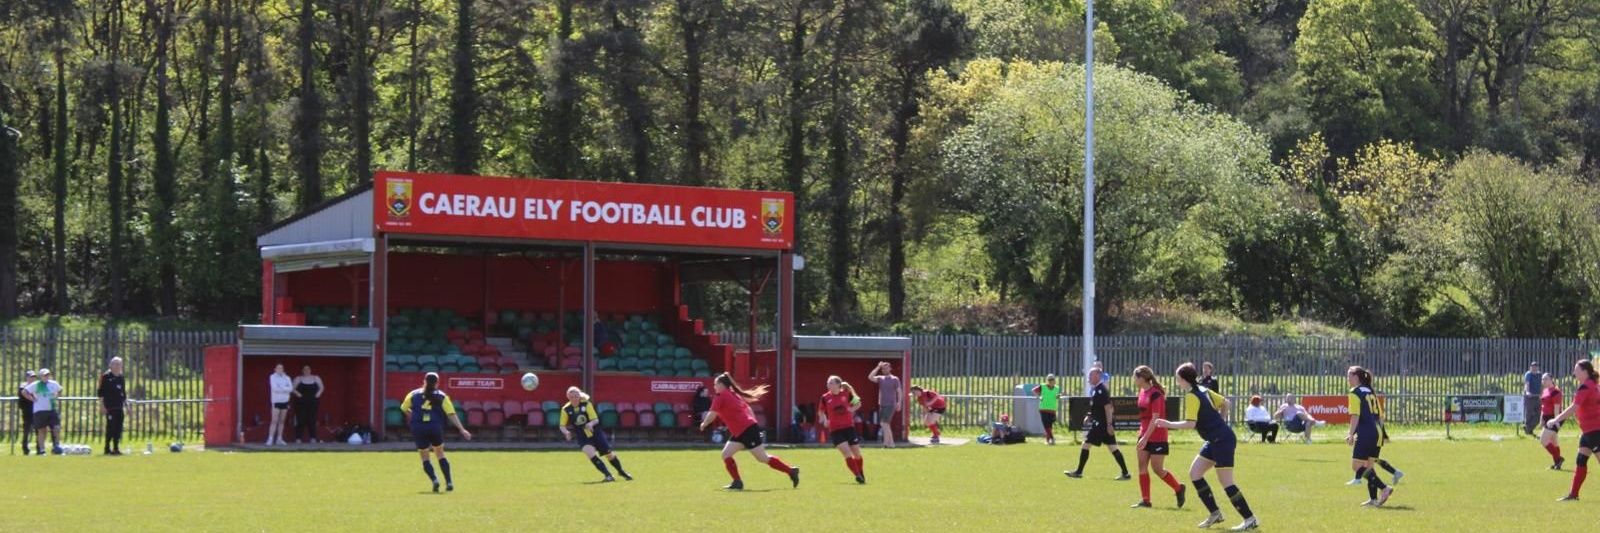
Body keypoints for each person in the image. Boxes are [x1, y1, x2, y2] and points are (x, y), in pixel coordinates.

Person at [1154, 363, 1258, 531]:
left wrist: (1167, 424)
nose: (1176, 382)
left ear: (1184, 379)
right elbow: (1226, 403)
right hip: (1216, 438)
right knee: (1195, 473)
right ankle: (1215, 514)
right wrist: (1220, 422)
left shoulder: (1192, 396)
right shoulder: (1202, 389)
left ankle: (1250, 518)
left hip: (1221, 440)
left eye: (1177, 378)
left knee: (1226, 482)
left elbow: (1190, 424)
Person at [699, 372, 800, 490]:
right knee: (726, 454)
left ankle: (791, 471)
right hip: (743, 430)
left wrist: (704, 424)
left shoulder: (721, 396)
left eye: (715, 384)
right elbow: (747, 408)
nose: (714, 387)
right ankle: (737, 482)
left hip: (746, 430)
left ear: (722, 385)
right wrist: (753, 424)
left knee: (762, 458)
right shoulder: (733, 394)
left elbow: (712, 414)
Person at [400, 372, 472, 492]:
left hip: (418, 427)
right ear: (437, 383)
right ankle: (449, 482)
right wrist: (462, 429)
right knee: (440, 453)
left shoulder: (413, 394)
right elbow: (451, 414)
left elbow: (403, 408)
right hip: (434, 427)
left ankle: (435, 480)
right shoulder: (442, 396)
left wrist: (411, 415)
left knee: (425, 456)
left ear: (424, 381)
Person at [1131, 365, 1185, 509]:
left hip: (1158, 436)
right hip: (1144, 434)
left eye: (1135, 377)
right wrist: (1141, 433)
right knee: (1141, 465)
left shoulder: (1156, 394)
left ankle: (1179, 488)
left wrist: (1145, 437)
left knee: (1157, 468)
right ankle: (1146, 500)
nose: (1134, 379)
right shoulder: (1142, 391)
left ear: (1142, 378)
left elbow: (1155, 419)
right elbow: (1144, 416)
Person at [1547, 359, 1600, 501]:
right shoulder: (1593, 385)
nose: (1574, 373)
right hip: (1588, 432)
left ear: (1584, 372)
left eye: (1576, 370)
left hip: (1595, 431)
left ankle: (1573, 494)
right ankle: (1573, 494)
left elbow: (1574, 407)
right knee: (1581, 460)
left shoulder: (1586, 387)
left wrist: (1556, 419)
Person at [1065, 367, 1131, 480]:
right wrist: (1090, 415)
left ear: (1097, 376)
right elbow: (1097, 407)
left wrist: (1109, 425)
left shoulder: (1101, 390)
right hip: (1102, 424)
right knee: (1113, 448)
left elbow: (1108, 408)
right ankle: (1125, 473)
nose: (1089, 377)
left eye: (1091, 375)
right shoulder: (1096, 389)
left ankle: (1078, 472)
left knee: (1086, 444)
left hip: (1101, 425)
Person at [1344, 366, 1395, 507]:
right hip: (1377, 433)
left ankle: (1384, 488)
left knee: (1356, 466)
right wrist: (1382, 434)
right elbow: (1380, 417)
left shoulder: (1354, 392)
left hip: (1366, 433)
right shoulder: (1371, 392)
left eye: (1349, 375)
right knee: (1369, 467)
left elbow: (1355, 415)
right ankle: (1373, 499)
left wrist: (1350, 434)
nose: (1347, 379)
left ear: (1356, 377)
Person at [560, 386, 633, 482]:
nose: (574, 398)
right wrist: (566, 432)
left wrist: (590, 423)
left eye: (576, 396)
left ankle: (621, 471)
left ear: (579, 396)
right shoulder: (565, 409)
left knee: (609, 454)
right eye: (572, 396)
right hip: (582, 435)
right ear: (568, 397)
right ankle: (608, 475)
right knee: (589, 452)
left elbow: (595, 419)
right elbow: (562, 425)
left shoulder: (586, 404)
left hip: (595, 432)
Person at [820, 376, 867, 483]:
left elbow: (858, 403)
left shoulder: (847, 394)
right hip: (835, 430)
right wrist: (825, 420)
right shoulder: (825, 397)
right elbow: (821, 411)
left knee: (857, 454)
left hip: (849, 428)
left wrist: (851, 409)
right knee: (847, 453)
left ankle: (860, 472)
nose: (828, 385)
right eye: (828, 383)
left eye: (831, 383)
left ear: (838, 385)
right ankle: (857, 475)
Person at [97, 357, 128, 455]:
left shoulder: (121, 377)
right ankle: (107, 448)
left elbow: (123, 393)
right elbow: (100, 392)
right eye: (115, 364)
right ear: (110, 365)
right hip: (109, 407)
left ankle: (116, 448)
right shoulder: (105, 376)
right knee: (110, 427)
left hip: (119, 406)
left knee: (118, 428)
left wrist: (127, 406)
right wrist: (102, 406)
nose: (117, 366)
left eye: (119, 364)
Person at [867, 362, 902, 448]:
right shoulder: (880, 378)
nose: (884, 370)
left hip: (891, 404)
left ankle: (886, 444)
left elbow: (899, 391)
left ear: (890, 368)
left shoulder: (895, 379)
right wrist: (877, 367)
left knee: (884, 423)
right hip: (882, 404)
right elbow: (870, 377)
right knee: (885, 424)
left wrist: (899, 402)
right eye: (883, 368)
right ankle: (892, 443)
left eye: (886, 368)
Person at [29, 368, 63, 455]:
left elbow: (60, 390)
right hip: (40, 410)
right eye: (45, 375)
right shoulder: (36, 384)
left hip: (52, 409)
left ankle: (57, 446)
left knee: (57, 428)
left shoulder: (54, 383)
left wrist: (56, 396)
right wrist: (32, 399)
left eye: (48, 375)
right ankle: (42, 450)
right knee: (42, 430)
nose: (47, 376)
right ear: (41, 376)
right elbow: (24, 392)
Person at [291, 365, 324, 443]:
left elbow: (322, 387)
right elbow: (292, 388)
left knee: (312, 419)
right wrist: (297, 394)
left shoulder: (316, 378)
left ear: (310, 370)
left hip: (313, 401)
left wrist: (318, 394)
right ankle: (298, 438)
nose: (307, 370)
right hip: (301, 402)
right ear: (302, 370)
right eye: (305, 369)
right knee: (300, 419)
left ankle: (313, 438)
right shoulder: (298, 378)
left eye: (308, 369)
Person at [1539, 373, 1565, 470]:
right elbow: (1543, 406)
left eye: (1546, 379)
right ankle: (1557, 464)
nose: (1543, 381)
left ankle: (1558, 459)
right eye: (1542, 379)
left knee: (1543, 440)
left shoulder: (1556, 392)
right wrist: (1541, 419)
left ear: (1551, 379)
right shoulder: (1545, 390)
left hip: (1554, 418)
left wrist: (1556, 421)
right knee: (1554, 442)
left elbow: (1556, 408)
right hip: (1547, 418)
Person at [267, 363, 293, 446]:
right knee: (274, 420)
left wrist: (281, 388)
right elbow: (274, 388)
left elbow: (291, 389)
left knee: (282, 421)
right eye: (278, 368)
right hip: (276, 401)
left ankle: (279, 438)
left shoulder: (287, 378)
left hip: (285, 401)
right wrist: (285, 389)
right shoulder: (272, 377)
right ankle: (270, 439)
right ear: (275, 369)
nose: (280, 369)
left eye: (281, 368)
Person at [1032, 374, 1061, 445]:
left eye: (1052, 379)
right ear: (1047, 381)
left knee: (1049, 426)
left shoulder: (1057, 388)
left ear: (1054, 380)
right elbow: (1034, 390)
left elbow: (1057, 395)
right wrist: (1039, 396)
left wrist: (1059, 396)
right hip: (1043, 409)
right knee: (1046, 425)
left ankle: (1048, 441)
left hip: (1052, 409)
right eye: (1049, 380)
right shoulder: (1043, 386)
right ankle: (1052, 438)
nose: (1051, 381)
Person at [17, 370, 35, 455]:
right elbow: (23, 393)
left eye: (33, 377)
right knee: (27, 429)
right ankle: (25, 447)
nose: (32, 378)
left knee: (38, 429)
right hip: (27, 411)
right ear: (27, 377)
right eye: (31, 377)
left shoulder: (35, 385)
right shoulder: (23, 385)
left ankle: (39, 448)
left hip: (36, 410)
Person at [1525, 361, 1544, 436]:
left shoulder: (1540, 375)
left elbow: (1542, 385)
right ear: (1530, 368)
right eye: (1532, 367)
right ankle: (1529, 430)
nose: (1534, 369)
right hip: (1530, 397)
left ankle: (1527, 428)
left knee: (1539, 414)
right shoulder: (1528, 374)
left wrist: (1542, 394)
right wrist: (1527, 392)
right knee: (1529, 413)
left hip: (1538, 397)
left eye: (1535, 367)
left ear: (1538, 368)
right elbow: (1527, 384)